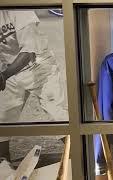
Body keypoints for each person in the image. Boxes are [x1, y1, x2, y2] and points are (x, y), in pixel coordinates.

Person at [0, 10, 68, 160]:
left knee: (57, 114)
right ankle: (3, 166)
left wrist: (4, 76)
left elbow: (28, 52)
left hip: (39, 66)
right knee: (3, 118)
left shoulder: (18, 9)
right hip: (8, 69)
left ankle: (79, 158)